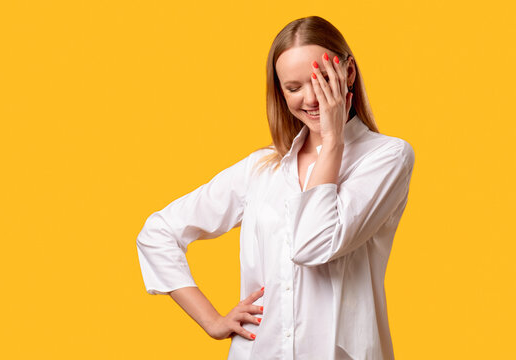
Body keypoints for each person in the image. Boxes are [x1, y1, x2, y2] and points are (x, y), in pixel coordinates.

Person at [136, 15, 414, 360]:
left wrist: (332, 143)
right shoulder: (261, 168)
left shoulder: (387, 157)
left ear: (349, 73)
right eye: (294, 88)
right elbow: (159, 232)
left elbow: (313, 245)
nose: (311, 99)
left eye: (323, 80)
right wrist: (211, 321)